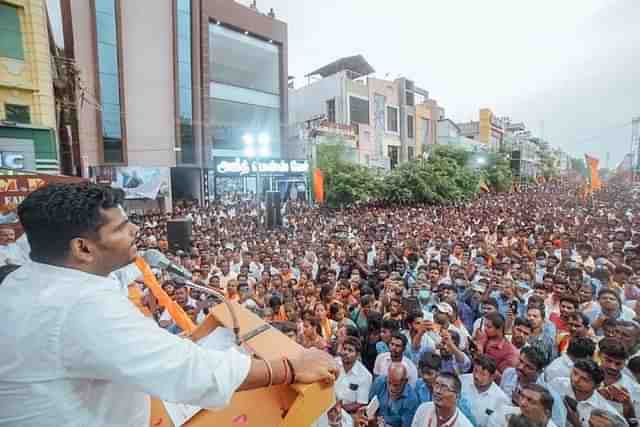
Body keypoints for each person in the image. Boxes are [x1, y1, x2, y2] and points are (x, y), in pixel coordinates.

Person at [0, 183, 338, 426]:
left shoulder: (23, 280)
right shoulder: (80, 304)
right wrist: (290, 369)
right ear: (83, 249)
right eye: (121, 227)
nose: (136, 229)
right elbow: (188, 372)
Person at [548, 359, 617, 427]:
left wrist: (576, 423)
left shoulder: (603, 409)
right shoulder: (557, 384)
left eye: (584, 379)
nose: (576, 380)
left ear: (597, 386)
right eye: (575, 373)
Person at [460, 355, 511, 427]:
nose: (476, 376)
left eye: (483, 374)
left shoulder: (501, 400)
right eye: (475, 370)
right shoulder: (462, 381)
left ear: (492, 377)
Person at [597, 337, 640, 420]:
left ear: (625, 362)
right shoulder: (583, 375)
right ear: (599, 355)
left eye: (618, 363)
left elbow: (635, 422)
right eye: (608, 360)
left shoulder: (635, 389)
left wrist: (628, 405)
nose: (613, 367)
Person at [369, 363, 419, 427]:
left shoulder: (411, 399)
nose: (392, 388)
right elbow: (370, 406)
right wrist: (373, 420)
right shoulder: (379, 382)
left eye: (396, 385)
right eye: (389, 383)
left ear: (405, 382)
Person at [488, 383, 558, 427]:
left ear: (546, 412)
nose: (522, 403)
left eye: (530, 400)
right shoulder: (503, 413)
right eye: (522, 396)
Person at [335, 336, 373, 414]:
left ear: (357, 355)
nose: (346, 352)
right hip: (328, 407)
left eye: (350, 350)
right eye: (344, 349)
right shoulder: (334, 364)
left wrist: (339, 408)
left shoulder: (365, 376)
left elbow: (361, 403)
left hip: (349, 413)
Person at [476, 312, 519, 377]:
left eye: (489, 327)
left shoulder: (510, 352)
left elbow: (500, 378)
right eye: (484, 325)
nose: (485, 329)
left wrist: (480, 345)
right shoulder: (484, 337)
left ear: (499, 329)